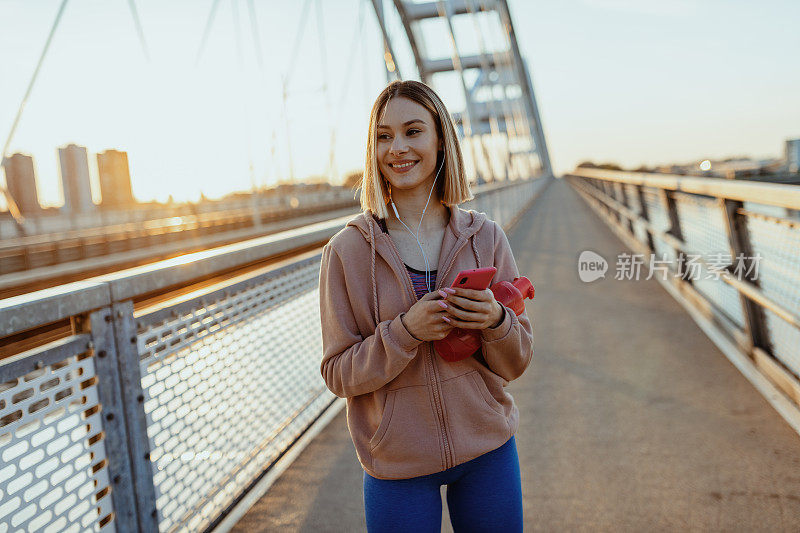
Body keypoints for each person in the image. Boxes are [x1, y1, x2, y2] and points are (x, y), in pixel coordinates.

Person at [318, 79, 534, 532]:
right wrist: (405, 332)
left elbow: (517, 362)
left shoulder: (486, 237)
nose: (397, 148)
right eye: (383, 135)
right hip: (397, 464)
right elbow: (338, 373)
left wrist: (496, 321)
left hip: (487, 451)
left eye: (413, 131)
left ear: (440, 139)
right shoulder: (347, 251)